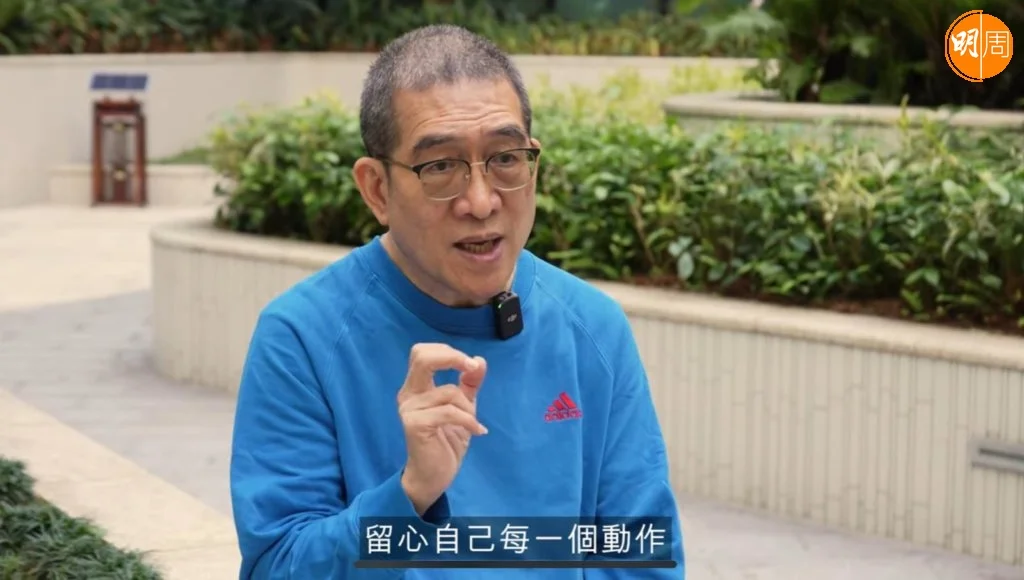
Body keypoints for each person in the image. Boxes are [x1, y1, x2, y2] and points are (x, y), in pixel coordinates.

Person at [229, 24, 685, 579]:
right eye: (440, 167)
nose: (481, 201)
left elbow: (641, 558)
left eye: (505, 158)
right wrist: (410, 494)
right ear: (377, 189)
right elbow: (277, 565)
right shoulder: (302, 336)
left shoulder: (592, 328)